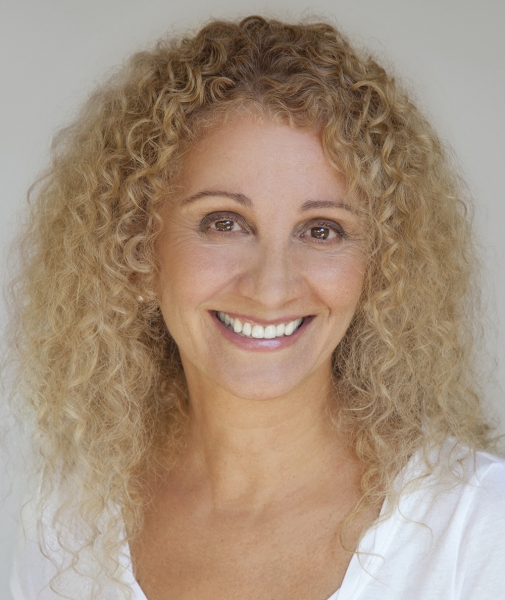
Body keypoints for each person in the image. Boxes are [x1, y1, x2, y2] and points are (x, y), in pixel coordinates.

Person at [7, 15, 505, 600]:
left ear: (379, 267)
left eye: (321, 230)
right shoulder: (67, 526)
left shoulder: (478, 529)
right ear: (138, 250)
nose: (271, 288)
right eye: (224, 223)